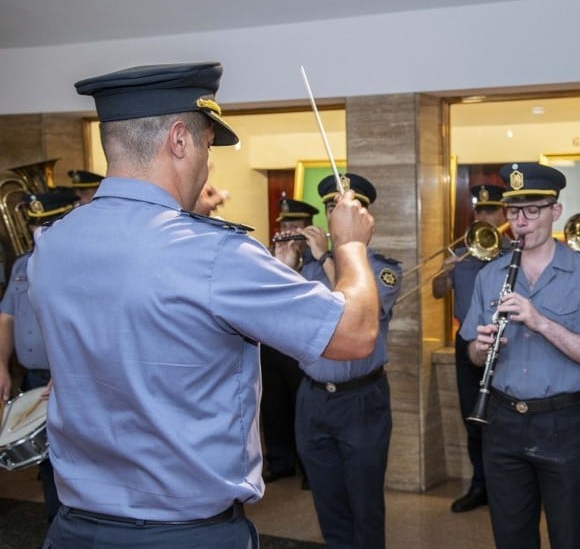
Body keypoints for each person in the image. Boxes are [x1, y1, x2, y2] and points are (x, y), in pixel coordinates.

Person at [27, 62, 380, 548]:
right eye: (208, 147)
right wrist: (351, 246)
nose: (208, 165)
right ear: (179, 141)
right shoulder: (214, 255)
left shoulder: (53, 245)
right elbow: (355, 333)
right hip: (185, 536)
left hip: (74, 529)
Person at [460, 162, 580, 549]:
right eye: (513, 211)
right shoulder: (490, 275)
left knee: (569, 536)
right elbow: (471, 352)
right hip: (501, 420)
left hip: (561, 423)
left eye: (532, 210)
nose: (521, 222)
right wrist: (481, 348)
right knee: (511, 536)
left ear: (556, 211)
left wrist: (539, 321)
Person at [295, 173, 402, 549]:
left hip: (360, 401)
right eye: (330, 207)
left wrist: (329, 256)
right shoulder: (307, 267)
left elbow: (354, 312)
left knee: (365, 505)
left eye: (344, 207)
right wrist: (287, 262)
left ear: (363, 217)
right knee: (328, 504)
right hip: (313, 399)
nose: (335, 214)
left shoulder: (382, 271)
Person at [0, 189, 80, 525]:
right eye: (34, 225)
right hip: (34, 379)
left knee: (74, 459)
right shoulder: (21, 264)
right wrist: (1, 365)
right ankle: (56, 524)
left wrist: (67, 370)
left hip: (70, 380)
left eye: (44, 224)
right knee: (46, 464)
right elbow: (6, 318)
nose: (37, 232)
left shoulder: (78, 265)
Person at [432, 183, 508, 513]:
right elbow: (437, 291)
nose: (485, 216)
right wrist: (446, 270)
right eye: (480, 210)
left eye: (491, 210)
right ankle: (480, 485)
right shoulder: (461, 251)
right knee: (472, 419)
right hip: (467, 346)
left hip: (504, 345)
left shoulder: (512, 253)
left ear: (503, 214)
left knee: (501, 421)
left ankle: (507, 486)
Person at [259, 195, 323, 487]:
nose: (287, 229)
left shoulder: (318, 262)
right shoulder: (268, 257)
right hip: (271, 342)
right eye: (285, 223)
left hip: (301, 344)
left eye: (294, 224)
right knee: (273, 406)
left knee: (303, 407)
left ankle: (310, 467)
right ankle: (281, 461)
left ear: (308, 228)